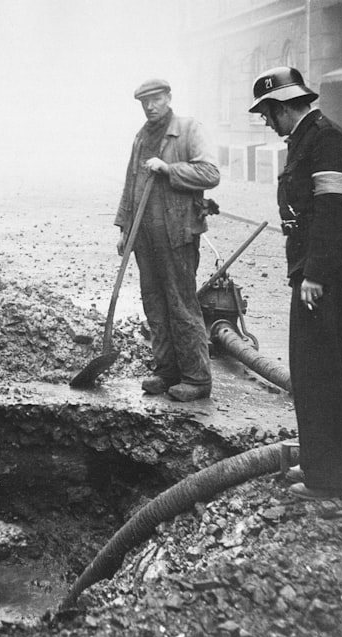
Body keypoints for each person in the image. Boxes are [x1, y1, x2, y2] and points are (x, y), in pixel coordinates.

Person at [249, 66, 342, 500]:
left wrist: (314, 274)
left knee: (322, 372)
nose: (266, 121)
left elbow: (333, 208)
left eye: (267, 113)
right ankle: (322, 467)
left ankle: (333, 479)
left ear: (282, 107)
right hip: (316, 267)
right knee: (310, 370)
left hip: (330, 270)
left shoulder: (326, 138)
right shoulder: (305, 138)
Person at [115, 78, 220, 402]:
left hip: (177, 235)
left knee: (181, 304)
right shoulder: (141, 137)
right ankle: (166, 371)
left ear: (168, 98)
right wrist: (124, 227)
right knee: (155, 304)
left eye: (156, 99)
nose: (150, 106)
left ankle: (196, 378)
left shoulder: (187, 129)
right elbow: (130, 183)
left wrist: (169, 168)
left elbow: (210, 173)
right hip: (145, 238)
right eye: (145, 101)